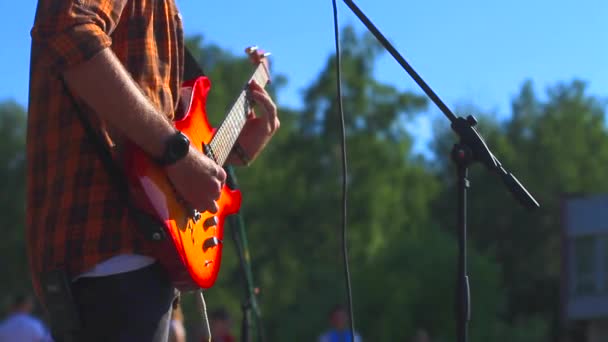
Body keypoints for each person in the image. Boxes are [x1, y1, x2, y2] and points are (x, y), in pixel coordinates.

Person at [26, 0, 279, 341]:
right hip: (109, 248)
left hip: (141, 254)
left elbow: (162, 136)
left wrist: (228, 152)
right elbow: (67, 27)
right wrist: (177, 152)